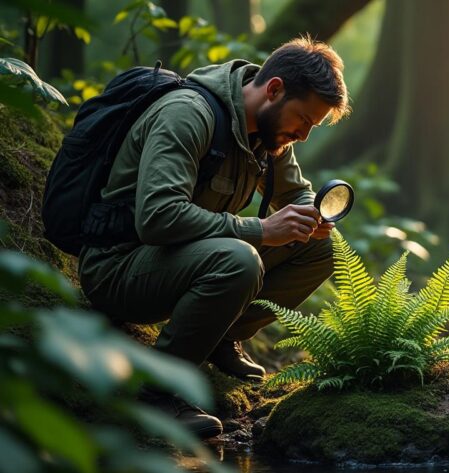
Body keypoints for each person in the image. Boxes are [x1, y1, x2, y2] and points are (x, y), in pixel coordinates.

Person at [77, 37, 350, 438]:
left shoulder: (270, 134)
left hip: (179, 260)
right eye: (304, 120)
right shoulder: (187, 114)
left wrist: (314, 213)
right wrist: (261, 230)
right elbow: (157, 217)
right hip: (118, 267)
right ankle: (157, 394)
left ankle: (220, 337)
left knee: (320, 245)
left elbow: (296, 193)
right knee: (239, 261)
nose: (304, 135)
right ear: (274, 89)